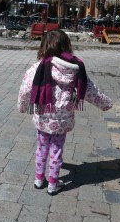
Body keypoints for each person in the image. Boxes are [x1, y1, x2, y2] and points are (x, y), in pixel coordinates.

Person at [17, 30, 113, 196]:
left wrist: (22, 107)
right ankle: (53, 184)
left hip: (43, 118)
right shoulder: (75, 70)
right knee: (56, 151)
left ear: (43, 47)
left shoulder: (36, 68)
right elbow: (91, 91)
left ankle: (39, 179)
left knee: (41, 148)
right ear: (66, 46)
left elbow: (25, 90)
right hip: (62, 121)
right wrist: (106, 104)